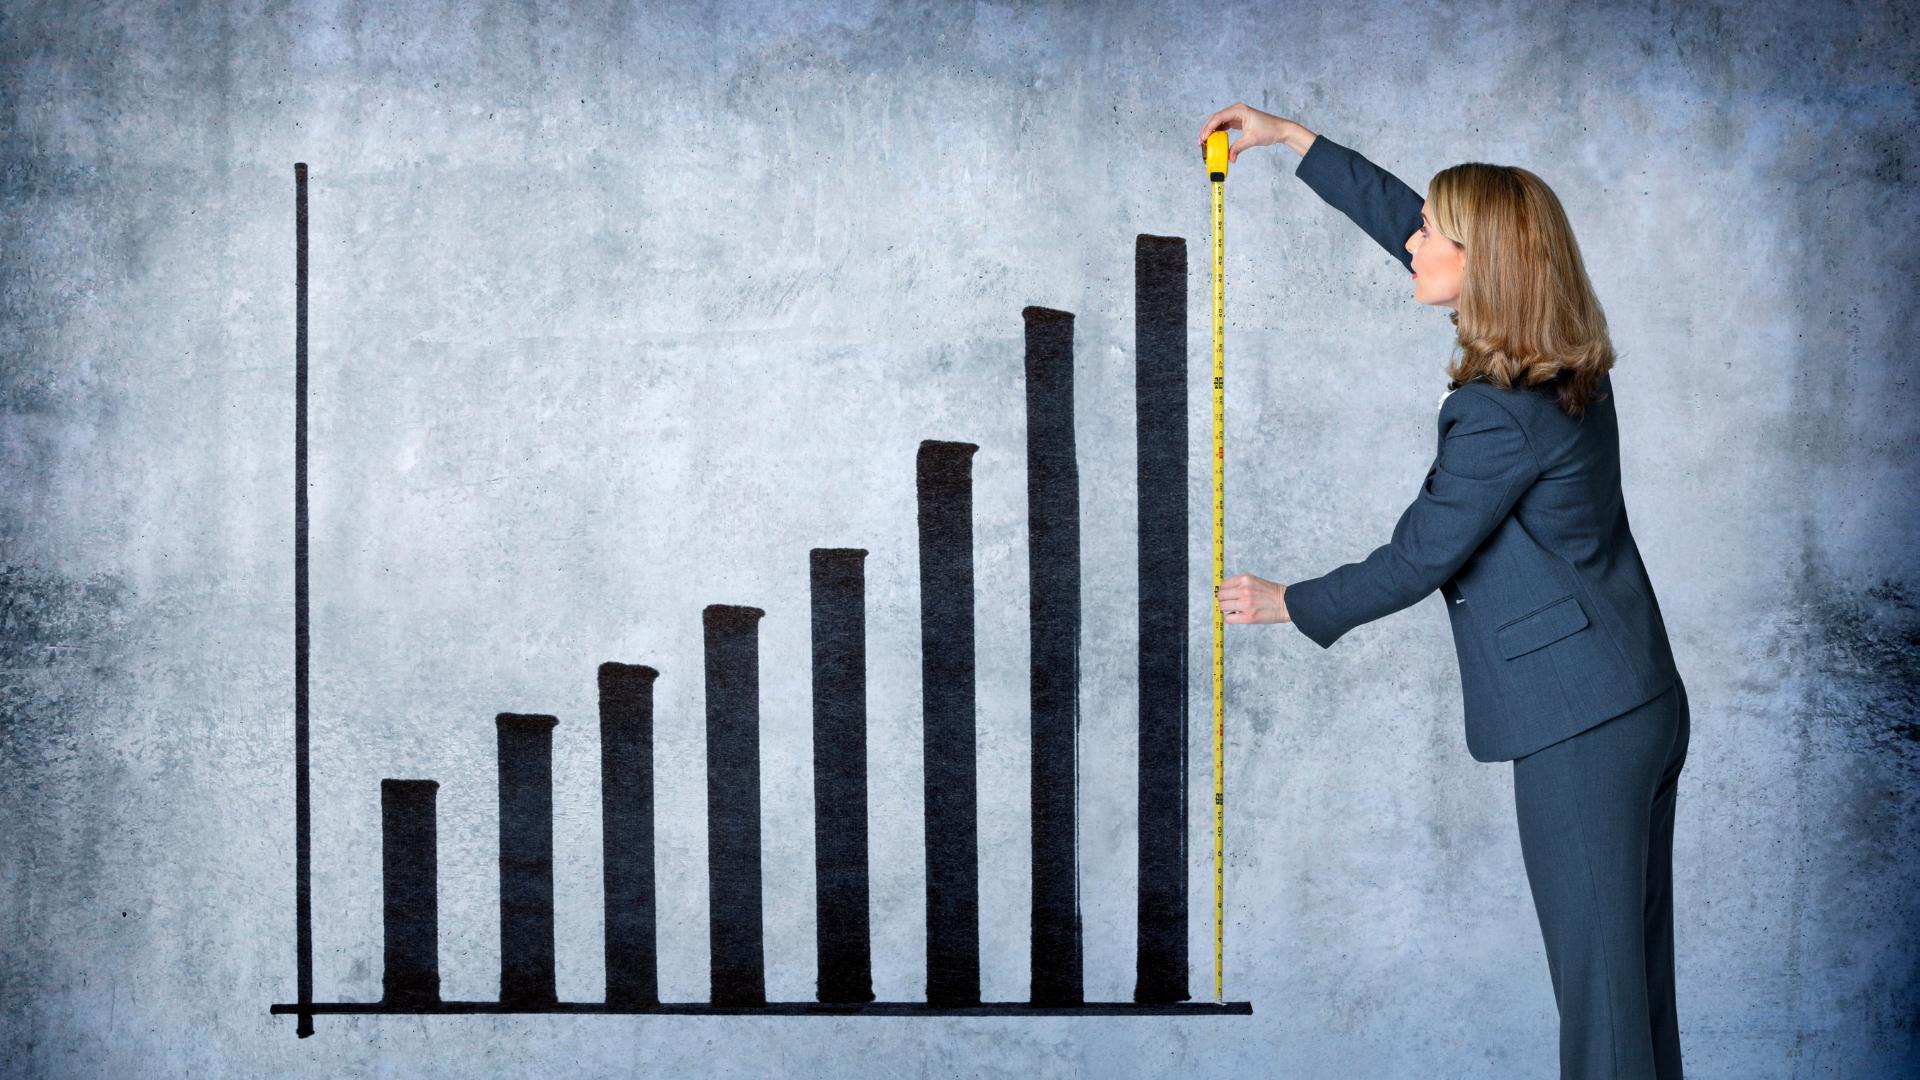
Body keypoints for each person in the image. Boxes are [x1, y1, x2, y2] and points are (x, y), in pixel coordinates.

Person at [1196, 102, 1690, 1080]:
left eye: (1434, 235)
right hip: (1631, 699)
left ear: (1483, 267)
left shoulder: (1495, 418)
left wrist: (1289, 600)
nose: (1412, 241)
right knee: (1629, 995)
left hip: (1579, 728)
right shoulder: (1560, 363)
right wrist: (1293, 142)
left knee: (1601, 1012)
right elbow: (1408, 223)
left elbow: (1419, 557)